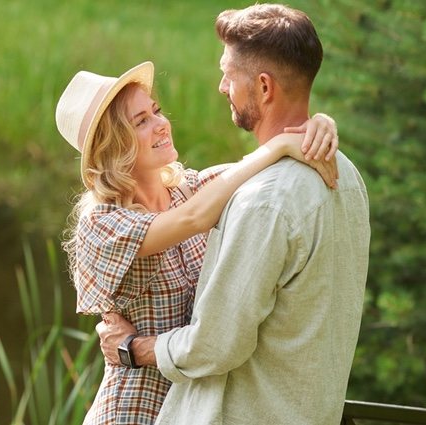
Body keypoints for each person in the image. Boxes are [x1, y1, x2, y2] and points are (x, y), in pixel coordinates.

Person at [97, 4, 371, 425]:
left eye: (229, 74)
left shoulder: (261, 202)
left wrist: (136, 347)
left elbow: (216, 345)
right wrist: (314, 125)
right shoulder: (346, 174)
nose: (222, 86)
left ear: (263, 87)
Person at [55, 60, 339, 424]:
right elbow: (193, 219)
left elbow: (247, 170)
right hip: (136, 411)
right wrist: (280, 145)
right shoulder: (103, 224)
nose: (160, 125)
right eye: (141, 121)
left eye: (156, 111)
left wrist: (318, 126)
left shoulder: (188, 190)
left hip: (196, 409)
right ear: (112, 147)